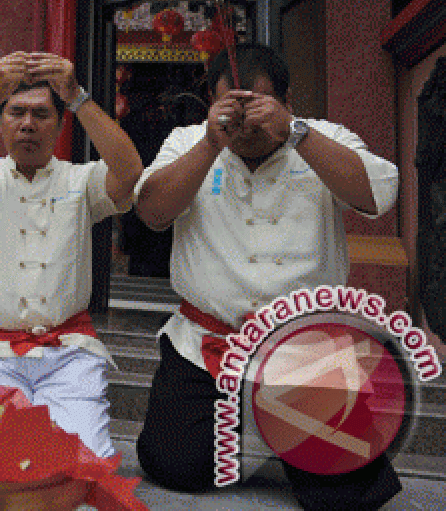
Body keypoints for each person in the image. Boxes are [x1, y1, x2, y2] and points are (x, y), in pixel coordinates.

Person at [133, 43, 401, 509]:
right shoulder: (188, 140)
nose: (247, 126)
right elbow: (152, 210)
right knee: (174, 464)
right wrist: (210, 144)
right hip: (207, 344)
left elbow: (379, 194)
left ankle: (284, 433)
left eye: (259, 107)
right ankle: (255, 430)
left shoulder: (320, 135)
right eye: (231, 109)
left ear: (287, 101)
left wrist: (296, 133)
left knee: (344, 494)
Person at [0, 51, 142, 458]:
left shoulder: (82, 180)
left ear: (61, 124)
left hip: (68, 355)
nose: (28, 124)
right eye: (17, 113)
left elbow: (130, 172)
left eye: (42, 114)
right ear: (1, 121)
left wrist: (77, 95)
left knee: (83, 462)